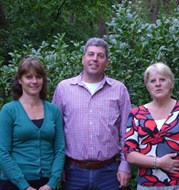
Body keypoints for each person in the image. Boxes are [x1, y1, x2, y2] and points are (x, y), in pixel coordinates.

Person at [52, 37, 132, 190]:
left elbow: (126, 131)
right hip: (72, 172)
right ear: (83, 59)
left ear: (107, 62)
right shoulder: (64, 88)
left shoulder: (119, 90)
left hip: (109, 173)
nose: (94, 59)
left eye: (100, 56)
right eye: (90, 54)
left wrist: (125, 165)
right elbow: (56, 131)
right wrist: (57, 166)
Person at [0, 56, 65, 190]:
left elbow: (59, 149)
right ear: (20, 80)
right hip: (14, 183)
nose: (34, 81)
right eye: (29, 77)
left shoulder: (54, 111)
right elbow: (3, 152)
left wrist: (52, 183)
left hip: (46, 184)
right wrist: (24, 186)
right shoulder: (9, 110)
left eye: (38, 77)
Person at [124, 62, 179, 190]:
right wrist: (159, 163)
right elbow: (130, 154)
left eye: (162, 79)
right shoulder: (137, 114)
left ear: (171, 83)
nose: (158, 84)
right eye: (152, 81)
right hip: (147, 184)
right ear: (147, 87)